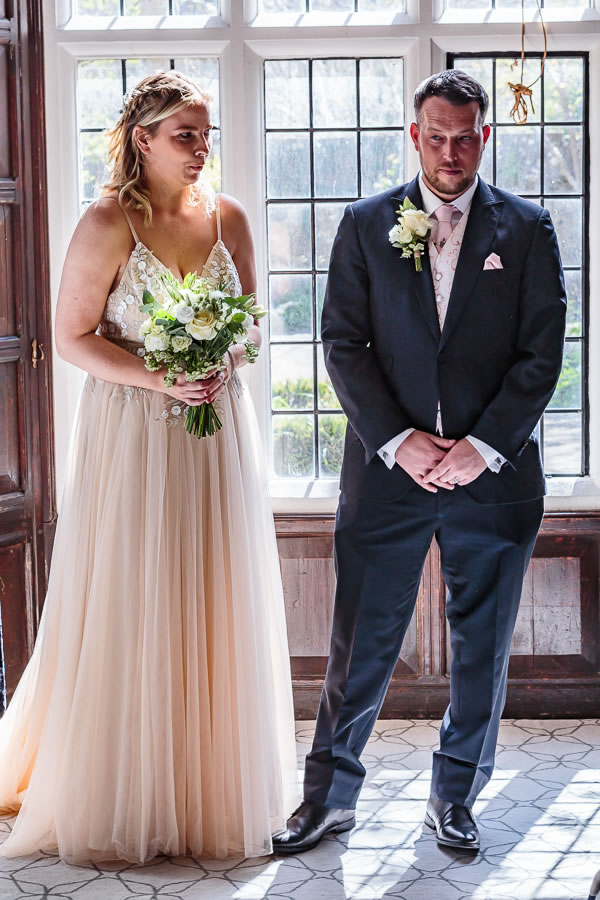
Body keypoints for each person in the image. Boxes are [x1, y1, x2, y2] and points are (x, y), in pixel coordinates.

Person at [0, 71, 297, 864]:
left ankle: (206, 787)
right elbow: (71, 338)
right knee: (138, 587)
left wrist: (224, 356)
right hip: (134, 432)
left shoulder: (228, 216)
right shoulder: (107, 221)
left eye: (206, 135)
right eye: (185, 135)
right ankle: (124, 787)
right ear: (144, 139)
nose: (201, 149)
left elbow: (252, 323)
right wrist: (160, 377)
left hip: (216, 432)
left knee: (213, 584)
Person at [273, 69, 566, 855]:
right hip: (386, 476)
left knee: (481, 647)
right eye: (436, 137)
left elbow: (542, 353)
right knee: (360, 642)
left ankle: (455, 797)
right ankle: (327, 798)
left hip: (494, 480)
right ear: (414, 136)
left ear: (484, 137)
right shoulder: (365, 223)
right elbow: (343, 343)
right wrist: (398, 441)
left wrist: (481, 448)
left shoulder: (527, 229)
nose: (450, 152)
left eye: (465, 138)